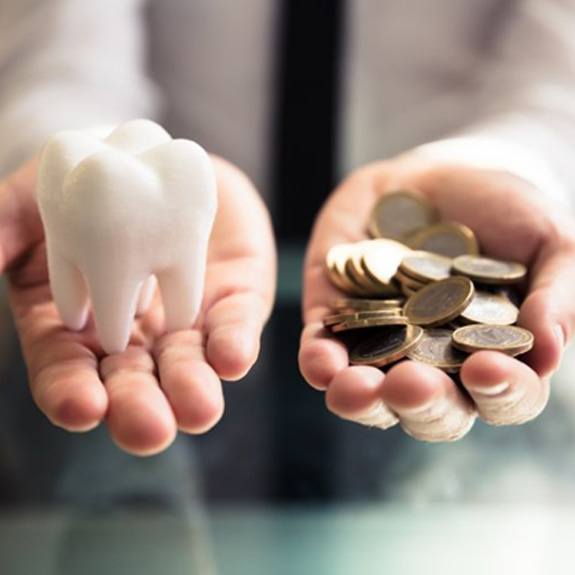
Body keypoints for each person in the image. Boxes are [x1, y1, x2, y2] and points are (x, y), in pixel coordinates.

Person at [0, 0, 574, 456]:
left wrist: (511, 164)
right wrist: (71, 160)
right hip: (182, 190)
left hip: (437, 177)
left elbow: (559, 73)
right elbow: (58, 53)